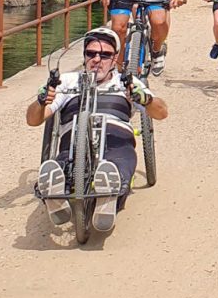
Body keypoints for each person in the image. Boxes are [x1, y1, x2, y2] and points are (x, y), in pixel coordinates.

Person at [28, 27, 169, 232]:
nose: (97, 59)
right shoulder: (67, 81)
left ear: (114, 59)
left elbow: (162, 112)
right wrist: (40, 102)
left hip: (116, 138)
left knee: (119, 161)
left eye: (105, 55)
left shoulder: (126, 83)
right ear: (84, 56)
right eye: (91, 53)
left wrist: (145, 99)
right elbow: (33, 120)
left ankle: (109, 197)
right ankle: (55, 197)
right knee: (62, 164)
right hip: (74, 140)